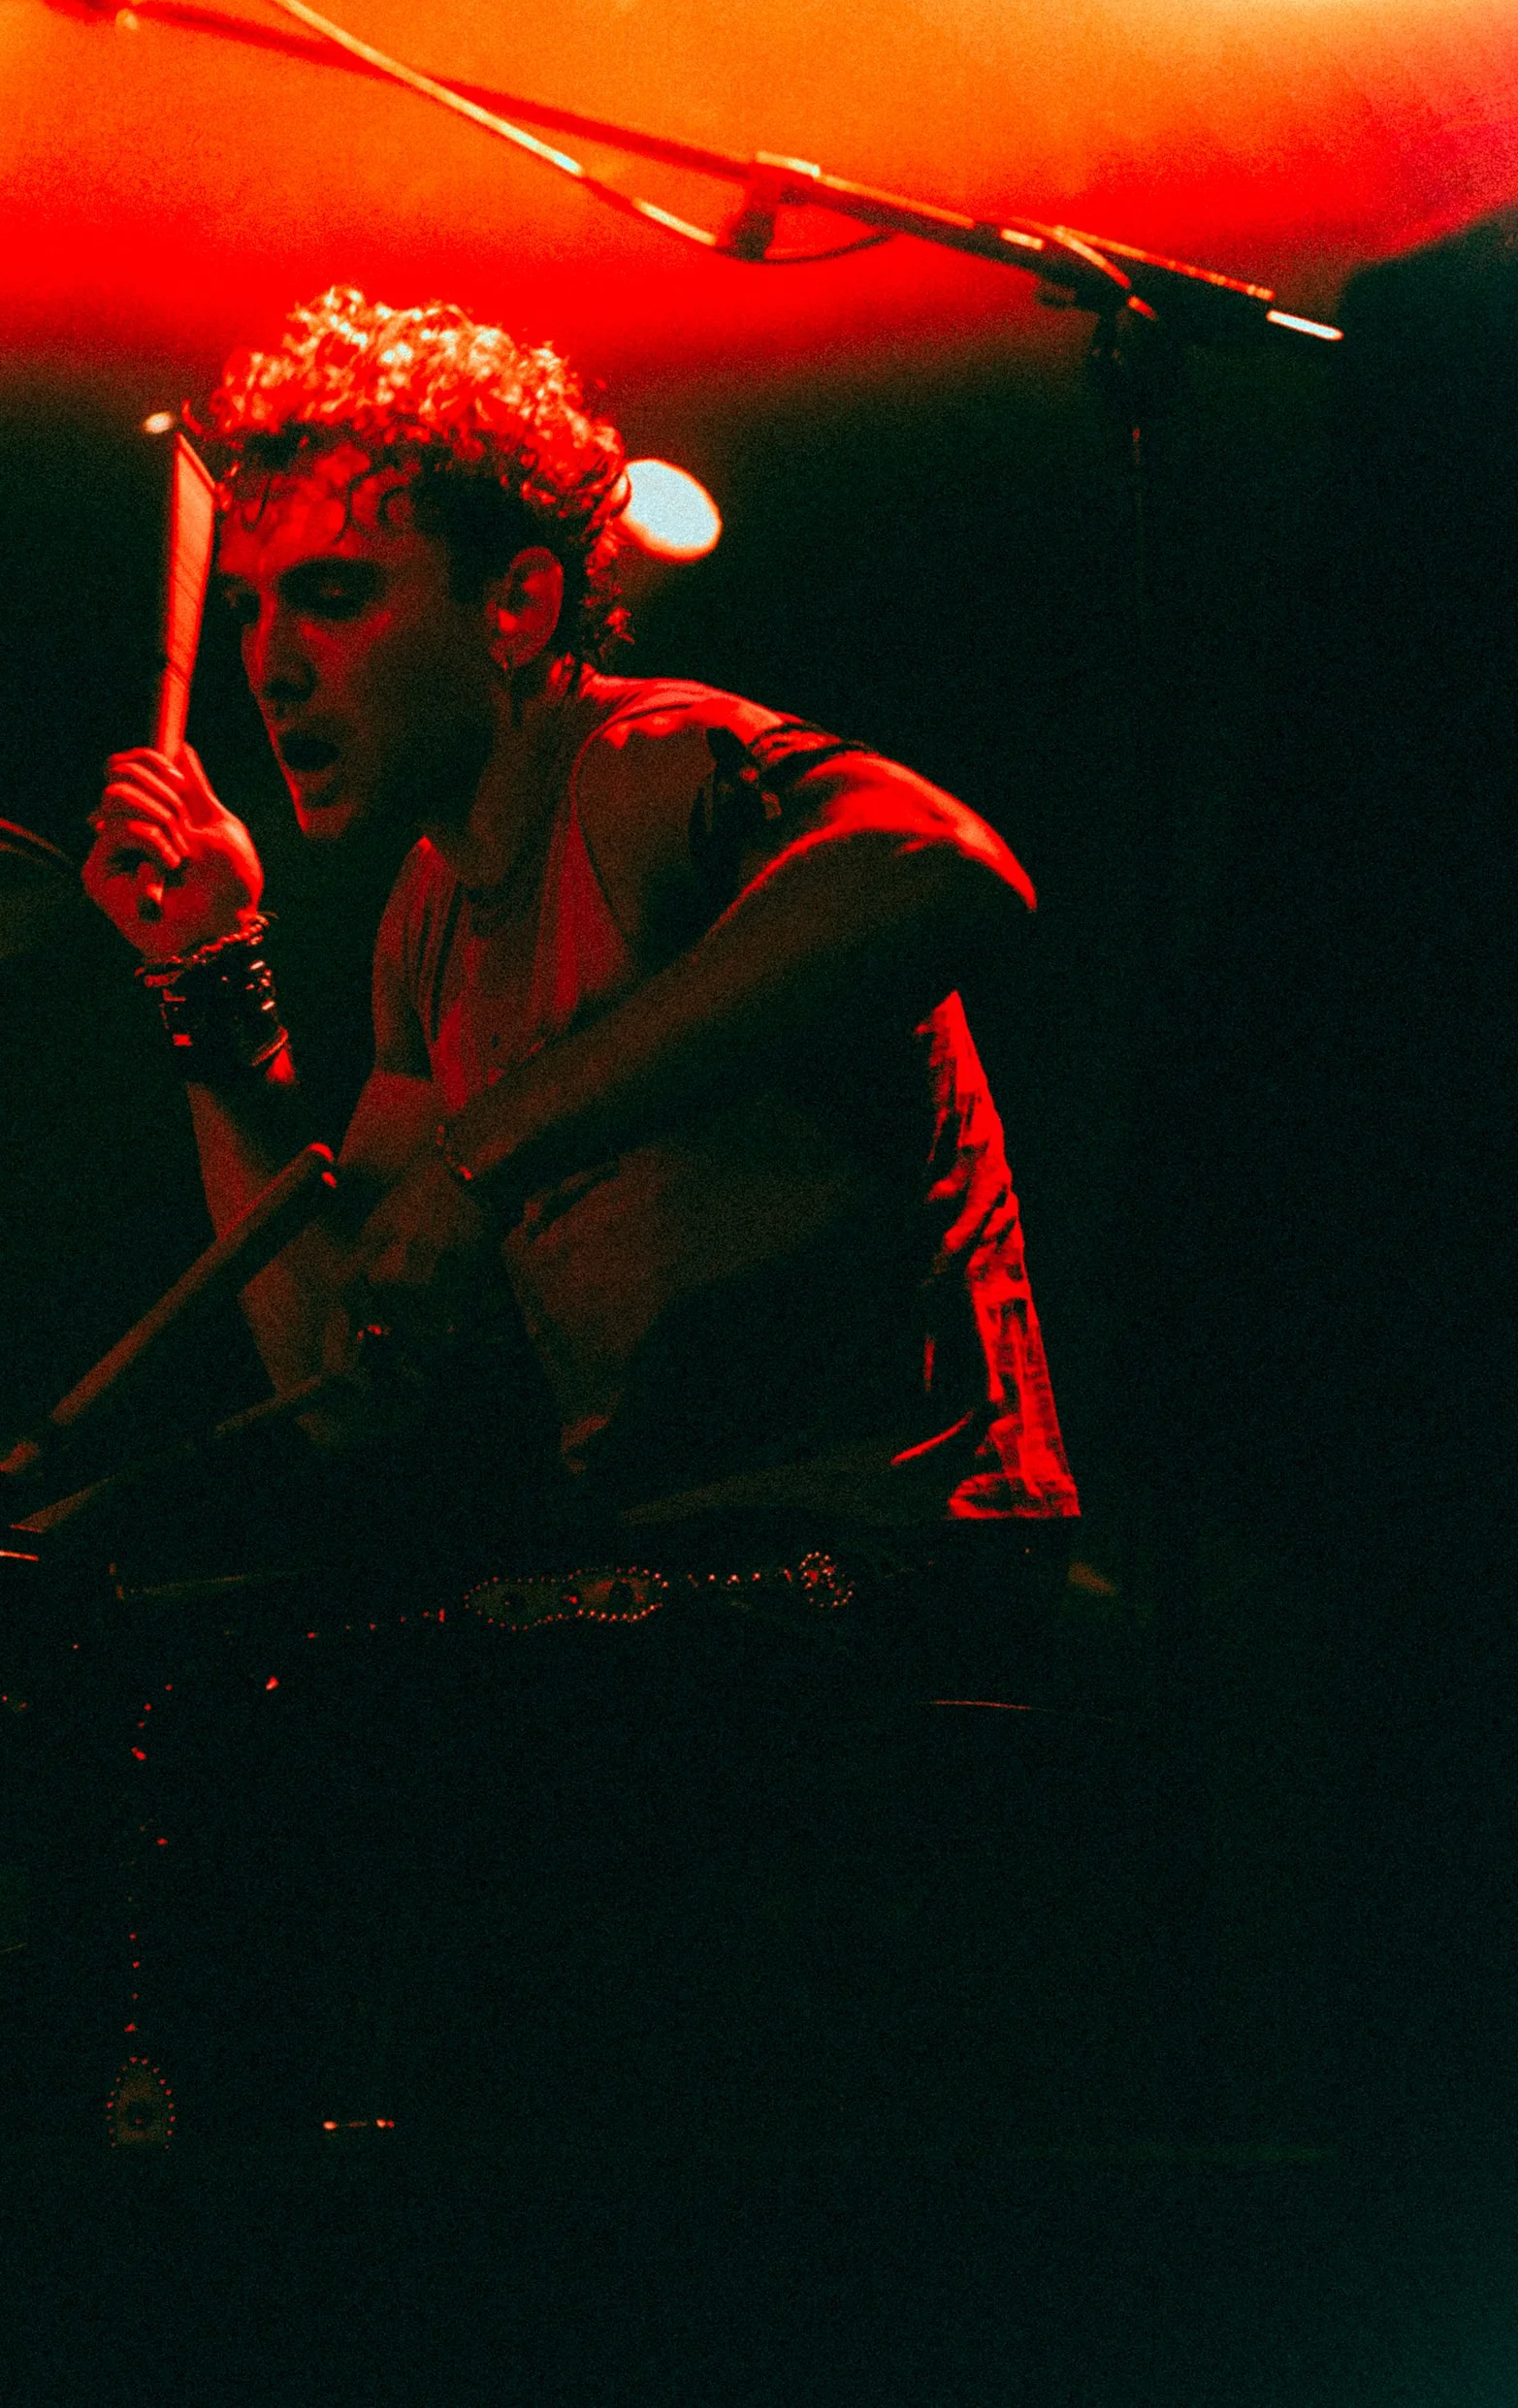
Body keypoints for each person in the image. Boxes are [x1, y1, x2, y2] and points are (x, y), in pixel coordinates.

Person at [82, 287, 1076, 1568]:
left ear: (517, 606)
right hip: (667, 1577)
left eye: (332, 597)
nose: (272, 662)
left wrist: (484, 1156)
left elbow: (944, 869)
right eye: (251, 610)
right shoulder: (425, 921)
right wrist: (213, 993)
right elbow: (359, 1376)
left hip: (887, 1566)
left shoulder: (649, 765)